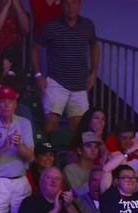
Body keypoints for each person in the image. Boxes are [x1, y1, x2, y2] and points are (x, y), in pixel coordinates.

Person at [30, 0, 98, 133]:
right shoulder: (51, 26)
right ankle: (47, 151)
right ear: (61, 5)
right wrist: (38, 74)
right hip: (56, 81)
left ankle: (72, 154)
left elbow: (94, 46)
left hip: (79, 84)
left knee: (78, 128)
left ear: (79, 4)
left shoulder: (88, 25)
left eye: (74, 3)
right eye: (66, 3)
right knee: (50, 123)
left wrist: (94, 72)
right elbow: (34, 49)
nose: (70, 7)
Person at [64, 131, 101, 196]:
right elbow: (78, 193)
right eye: (88, 146)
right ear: (79, 150)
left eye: (96, 147)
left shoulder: (99, 169)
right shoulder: (70, 169)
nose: (93, 150)